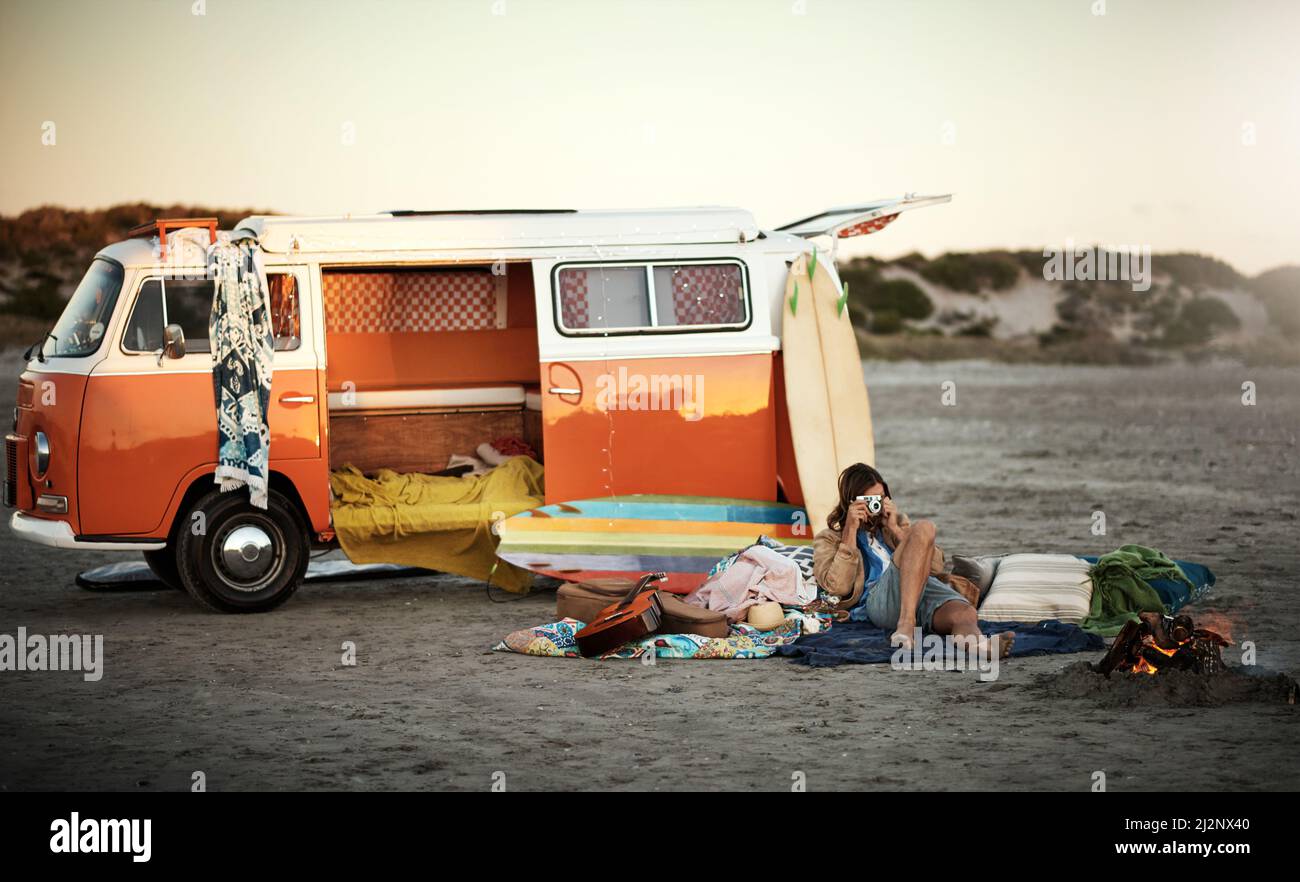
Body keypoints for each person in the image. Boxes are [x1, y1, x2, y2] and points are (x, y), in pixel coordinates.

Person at [812, 463, 1014, 657]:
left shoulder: (896, 524)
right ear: (852, 502)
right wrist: (850, 532)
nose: (877, 505)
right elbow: (837, 587)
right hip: (879, 602)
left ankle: (980, 646)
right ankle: (906, 625)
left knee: (964, 614)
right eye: (870, 500)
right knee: (925, 526)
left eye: (881, 498)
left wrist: (896, 530)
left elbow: (934, 567)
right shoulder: (830, 538)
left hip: (920, 590)